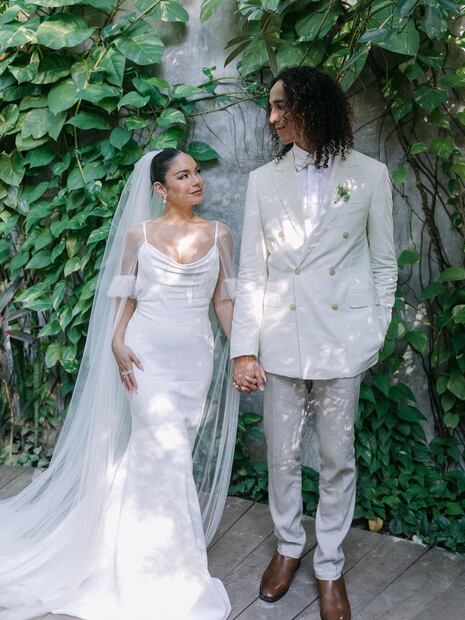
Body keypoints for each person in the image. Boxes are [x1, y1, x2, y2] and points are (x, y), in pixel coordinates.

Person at [0, 149, 239, 620]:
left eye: (197, 173)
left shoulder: (220, 235)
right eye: (183, 175)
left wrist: (244, 354)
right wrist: (115, 339)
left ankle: (120, 543)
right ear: (160, 189)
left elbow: (224, 303)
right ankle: (171, 570)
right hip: (145, 359)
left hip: (194, 362)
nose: (196, 181)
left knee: (159, 456)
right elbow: (126, 297)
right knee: (166, 450)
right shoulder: (138, 236)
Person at [230, 66, 397, 620]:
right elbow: (252, 271)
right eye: (271, 107)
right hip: (280, 336)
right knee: (281, 454)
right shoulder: (263, 180)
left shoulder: (370, 175)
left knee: (336, 456)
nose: (272, 118)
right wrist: (244, 348)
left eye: (281, 106)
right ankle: (287, 546)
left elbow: (384, 263)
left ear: (310, 106)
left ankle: (329, 564)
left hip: (341, 341)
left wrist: (372, 330)